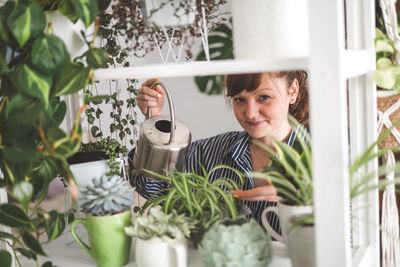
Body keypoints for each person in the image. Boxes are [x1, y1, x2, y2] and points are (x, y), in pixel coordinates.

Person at [129, 71, 309, 235]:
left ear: (292, 91)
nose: (251, 113)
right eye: (240, 99)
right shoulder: (212, 152)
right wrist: (155, 124)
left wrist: (304, 198)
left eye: (264, 97)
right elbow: (152, 186)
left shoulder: (322, 160)